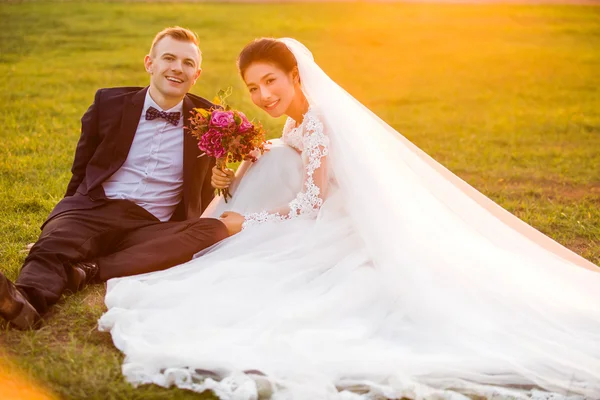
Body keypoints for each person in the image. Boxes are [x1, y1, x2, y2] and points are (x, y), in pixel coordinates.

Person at [99, 38, 600, 399]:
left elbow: (311, 204)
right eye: (253, 87)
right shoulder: (302, 118)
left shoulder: (317, 120)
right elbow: (296, 150)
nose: (263, 96)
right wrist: (253, 151)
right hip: (328, 211)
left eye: (270, 81)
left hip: (334, 225)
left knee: (259, 274)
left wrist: (244, 221)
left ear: (295, 75)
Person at [0, 27, 235, 331]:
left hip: (153, 225)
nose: (178, 67)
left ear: (197, 74)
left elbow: (215, 182)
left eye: (187, 63)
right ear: (150, 63)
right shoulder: (109, 104)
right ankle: (25, 302)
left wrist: (222, 178)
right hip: (97, 208)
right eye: (169, 58)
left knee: (212, 230)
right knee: (56, 243)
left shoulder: (212, 119)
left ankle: (89, 269)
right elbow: (81, 168)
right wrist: (64, 216)